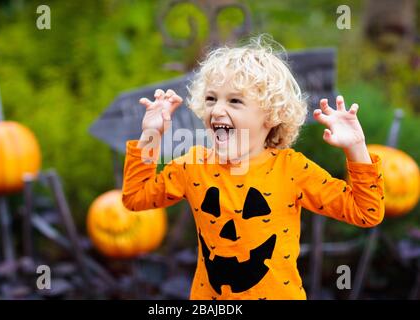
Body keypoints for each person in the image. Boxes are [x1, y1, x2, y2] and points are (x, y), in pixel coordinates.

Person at [121, 35, 384, 300]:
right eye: (211, 99)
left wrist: (356, 148)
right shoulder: (193, 165)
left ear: (271, 115)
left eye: (235, 101)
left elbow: (365, 212)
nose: (217, 110)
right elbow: (135, 198)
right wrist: (150, 136)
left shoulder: (291, 170)